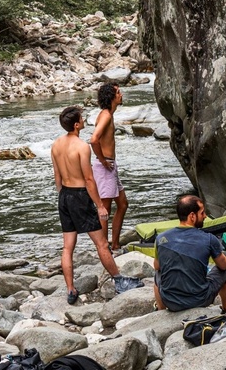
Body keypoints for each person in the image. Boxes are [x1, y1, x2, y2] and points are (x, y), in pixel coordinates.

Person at [51, 106, 143, 304]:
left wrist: (64, 197)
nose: (84, 120)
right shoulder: (82, 147)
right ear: (76, 125)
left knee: (68, 247)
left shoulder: (56, 145)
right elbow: (89, 180)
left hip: (65, 196)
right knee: (101, 243)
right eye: (82, 118)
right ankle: (119, 281)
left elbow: (57, 178)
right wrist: (100, 205)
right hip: (80, 196)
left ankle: (70, 289)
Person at [153, 195, 226, 313]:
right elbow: (223, 266)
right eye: (202, 213)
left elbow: (157, 267)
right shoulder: (209, 239)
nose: (205, 216)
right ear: (192, 216)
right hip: (200, 300)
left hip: (170, 302)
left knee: (158, 273)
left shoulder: (161, 238)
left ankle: (161, 311)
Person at [91, 83, 128, 250]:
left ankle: (115, 244)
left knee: (123, 204)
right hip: (105, 166)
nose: (121, 95)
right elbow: (94, 139)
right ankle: (104, 247)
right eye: (118, 92)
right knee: (105, 209)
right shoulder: (105, 115)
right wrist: (103, 160)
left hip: (111, 167)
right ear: (112, 97)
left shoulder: (108, 114)